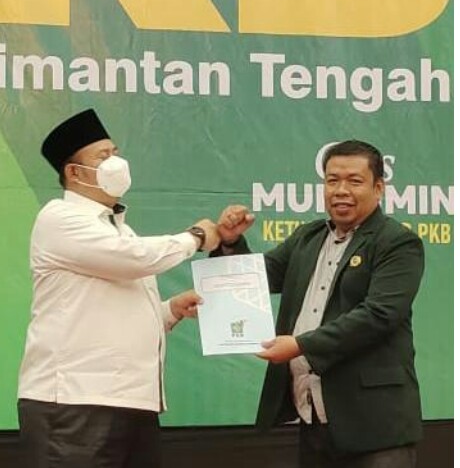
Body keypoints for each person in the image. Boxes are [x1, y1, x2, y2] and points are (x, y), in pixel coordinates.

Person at [17, 108, 220, 468]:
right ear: (74, 172)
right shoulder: (59, 218)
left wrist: (169, 311)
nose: (116, 162)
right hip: (74, 404)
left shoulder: (120, 230)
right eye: (103, 156)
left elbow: (113, 312)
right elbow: (136, 258)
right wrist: (196, 237)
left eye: (115, 152)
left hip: (132, 403)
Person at [213, 140, 424, 468]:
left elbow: (379, 315)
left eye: (354, 181)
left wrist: (300, 345)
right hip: (314, 418)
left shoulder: (397, 241)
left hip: (375, 426)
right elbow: (256, 280)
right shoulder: (307, 238)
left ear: (378, 188)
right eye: (332, 180)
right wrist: (230, 243)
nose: (341, 191)